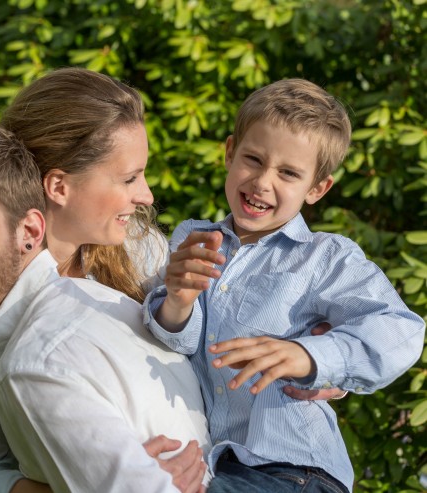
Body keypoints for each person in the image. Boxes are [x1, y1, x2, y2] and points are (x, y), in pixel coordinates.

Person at [0, 114, 213, 492]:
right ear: (58, 186)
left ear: (30, 230)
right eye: (128, 178)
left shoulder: (135, 253)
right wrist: (108, 480)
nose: (146, 194)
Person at [143, 78, 426, 492]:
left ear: (317, 188)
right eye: (253, 159)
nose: (262, 182)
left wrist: (308, 355)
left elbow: (400, 330)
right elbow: (176, 344)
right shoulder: (192, 237)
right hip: (217, 463)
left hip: (295, 469)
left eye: (288, 173)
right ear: (229, 152)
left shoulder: (325, 256)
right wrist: (178, 302)